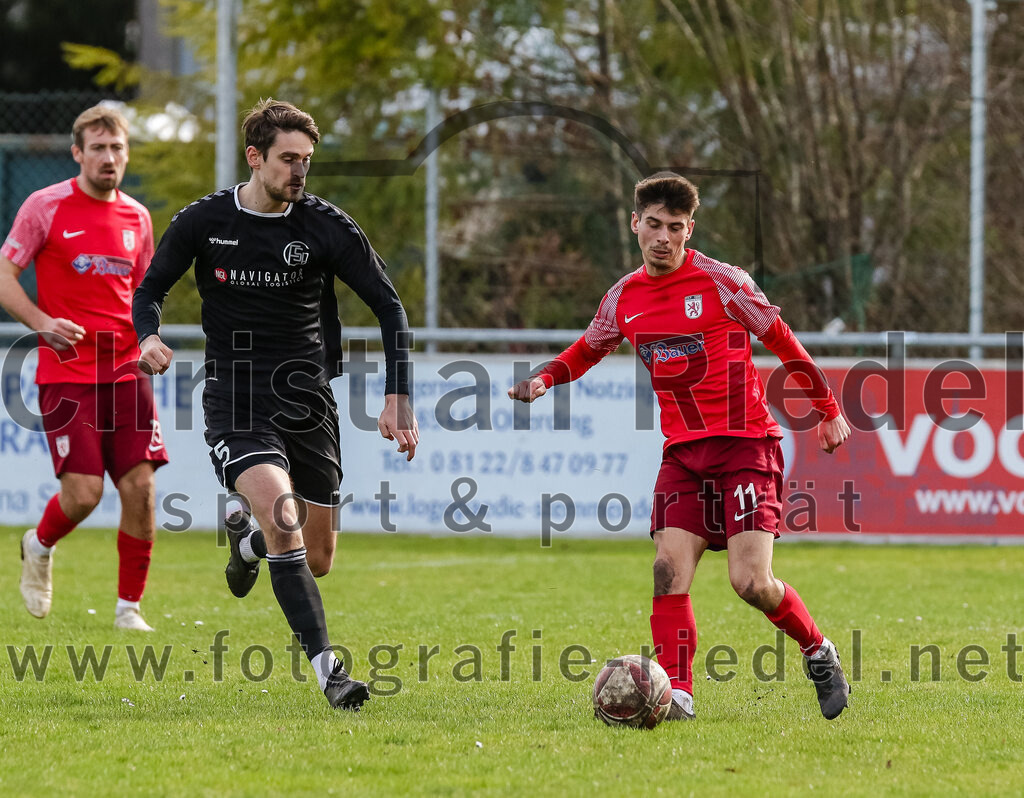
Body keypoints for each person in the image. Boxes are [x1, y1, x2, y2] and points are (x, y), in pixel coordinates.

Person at [509, 172, 852, 721]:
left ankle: (818, 650)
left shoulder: (724, 283)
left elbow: (782, 339)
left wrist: (828, 409)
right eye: (653, 225)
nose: (663, 238)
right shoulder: (624, 296)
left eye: (675, 227)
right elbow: (588, 347)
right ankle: (681, 695)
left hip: (745, 446)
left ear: (690, 229)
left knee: (751, 583)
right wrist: (546, 379)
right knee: (668, 571)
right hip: (684, 454)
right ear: (634, 225)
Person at [132, 98, 419, 711]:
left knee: (317, 557)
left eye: (307, 162)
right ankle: (330, 673)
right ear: (255, 157)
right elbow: (151, 289)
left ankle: (245, 545)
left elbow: (389, 306)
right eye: (288, 159)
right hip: (236, 399)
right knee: (284, 524)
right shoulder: (203, 222)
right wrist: (148, 336)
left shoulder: (325, 226)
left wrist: (399, 395)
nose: (299, 172)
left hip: (308, 400)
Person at [0, 104, 167, 631]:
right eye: (97, 148)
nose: (108, 158)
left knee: (140, 488)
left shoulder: (137, 217)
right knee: (84, 494)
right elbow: (6, 275)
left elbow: (146, 295)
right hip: (67, 373)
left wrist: (150, 339)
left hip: (125, 370)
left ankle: (128, 609)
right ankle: (38, 543)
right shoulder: (44, 207)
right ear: (78, 153)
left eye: (117, 148)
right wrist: (40, 321)